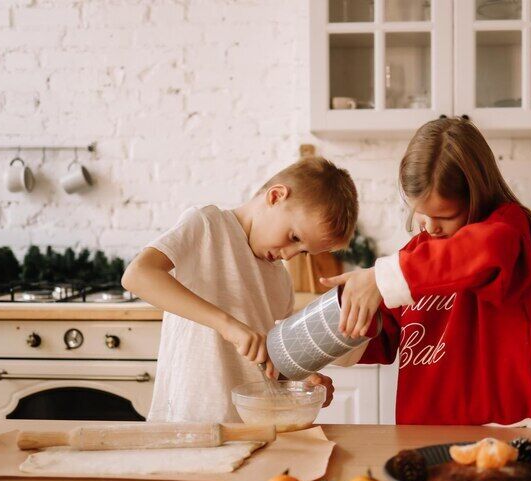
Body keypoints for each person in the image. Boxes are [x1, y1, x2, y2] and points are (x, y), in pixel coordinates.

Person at [323, 118, 531, 427]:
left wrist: (377, 278)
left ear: (477, 196)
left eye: (445, 216)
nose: (430, 227)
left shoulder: (508, 228)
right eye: (421, 213)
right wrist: (327, 337)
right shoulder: (416, 255)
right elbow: (384, 337)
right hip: (424, 427)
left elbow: (481, 251)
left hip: (501, 427)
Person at [123, 157, 358, 423]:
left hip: (252, 426)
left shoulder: (281, 281)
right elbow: (137, 275)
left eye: (303, 252)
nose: (290, 255)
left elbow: (267, 364)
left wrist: (303, 381)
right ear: (276, 196)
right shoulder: (208, 226)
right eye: (294, 237)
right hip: (191, 418)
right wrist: (228, 325)